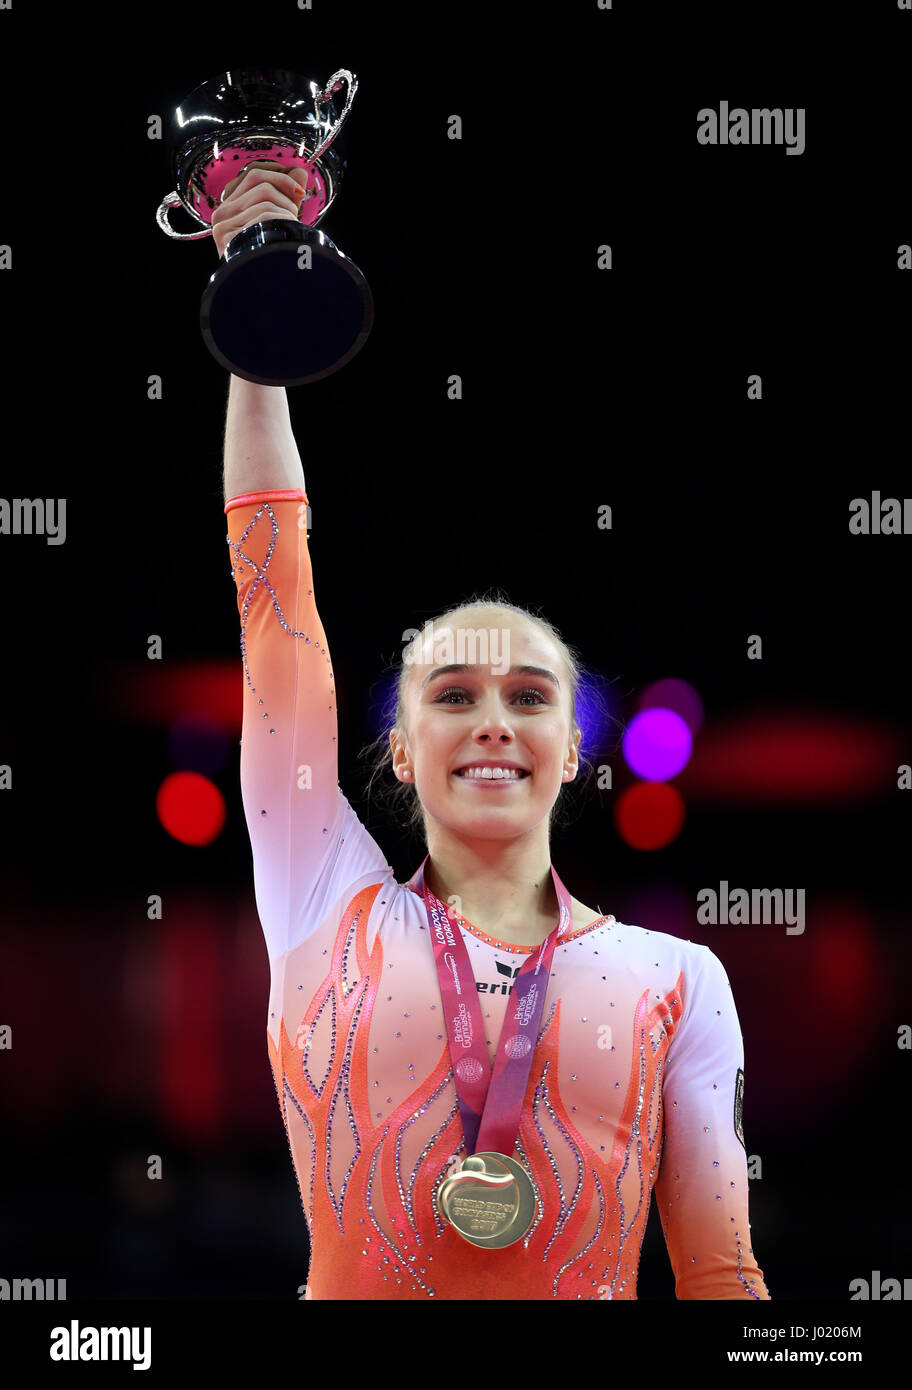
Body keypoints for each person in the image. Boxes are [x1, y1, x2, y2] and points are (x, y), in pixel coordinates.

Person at [214, 164, 771, 1300]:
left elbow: (721, 1275)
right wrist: (255, 303)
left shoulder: (678, 980)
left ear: (571, 751)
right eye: (452, 694)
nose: (493, 723)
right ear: (400, 750)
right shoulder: (323, 900)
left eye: (530, 696)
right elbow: (275, 607)